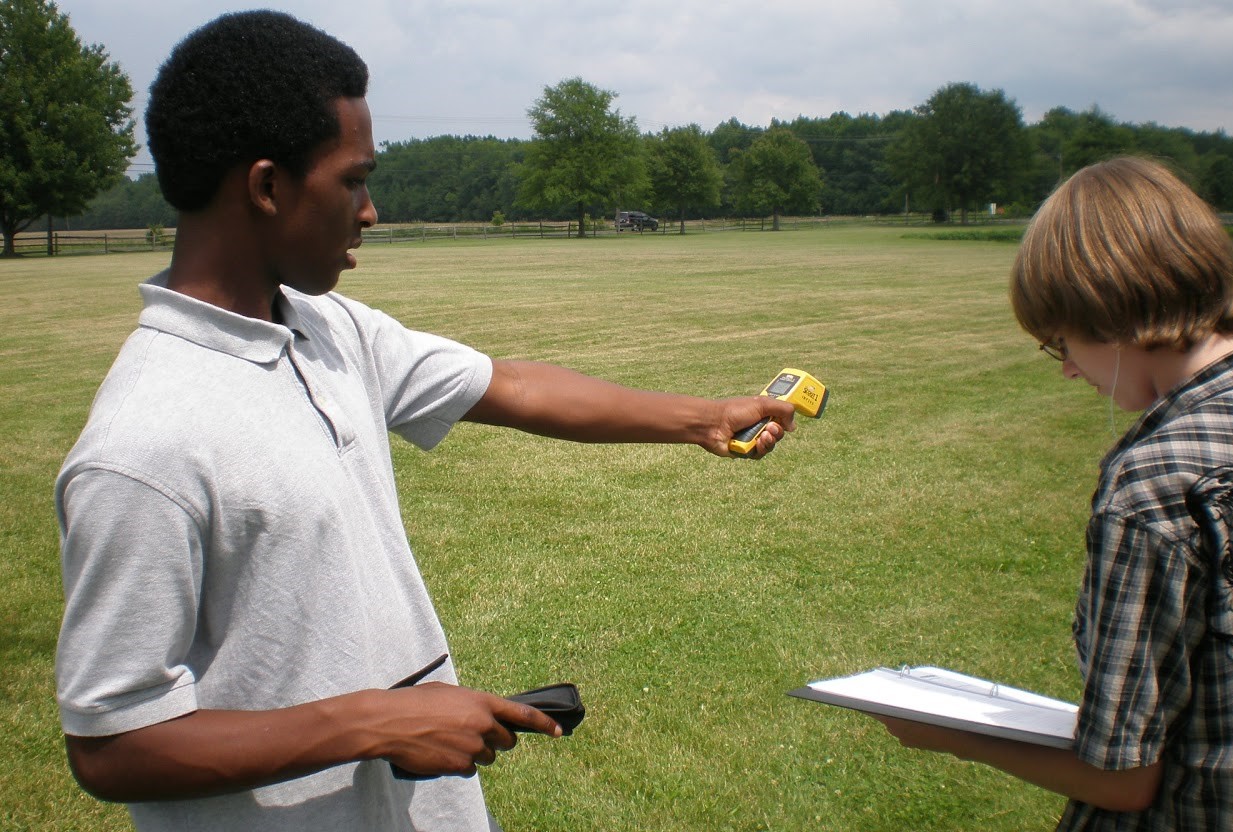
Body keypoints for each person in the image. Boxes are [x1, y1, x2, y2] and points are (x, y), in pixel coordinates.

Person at [52, 11, 796, 832]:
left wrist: (701, 418)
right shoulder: (142, 445)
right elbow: (112, 745)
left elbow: (508, 386)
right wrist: (371, 723)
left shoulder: (329, 331)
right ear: (267, 187)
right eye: (353, 180)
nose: (369, 212)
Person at [871, 156, 1233, 830]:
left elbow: (1122, 779)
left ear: (1110, 309)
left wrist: (949, 734)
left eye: (1060, 342)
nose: (1064, 369)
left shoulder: (1150, 489)